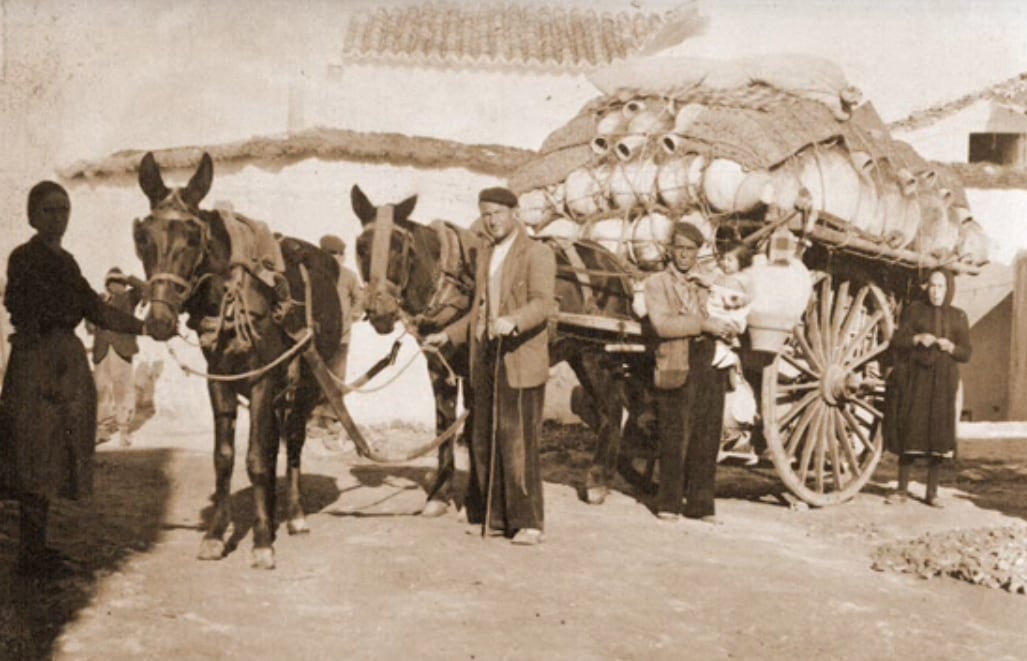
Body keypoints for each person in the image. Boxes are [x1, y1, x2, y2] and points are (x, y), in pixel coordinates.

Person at [0, 181, 149, 576]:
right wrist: (70, 309)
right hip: (36, 361)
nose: (58, 217)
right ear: (32, 216)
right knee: (33, 454)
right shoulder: (23, 258)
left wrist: (147, 328)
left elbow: (97, 310)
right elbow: (30, 304)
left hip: (65, 360)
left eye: (63, 210)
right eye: (49, 210)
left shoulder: (67, 262)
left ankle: (37, 549)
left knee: (52, 456)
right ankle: (30, 554)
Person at [425, 187, 555, 546]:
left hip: (519, 359)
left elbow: (544, 304)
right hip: (483, 358)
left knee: (518, 441)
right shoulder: (485, 255)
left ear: (515, 213)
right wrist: (448, 337)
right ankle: (495, 517)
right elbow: (476, 312)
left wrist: (514, 320)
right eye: (485, 213)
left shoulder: (537, 253)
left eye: (497, 212)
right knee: (483, 437)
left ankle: (528, 521)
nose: (491, 220)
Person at [644, 221, 736, 523]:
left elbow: (725, 307)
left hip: (708, 362)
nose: (684, 256)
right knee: (674, 433)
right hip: (676, 360)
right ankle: (668, 503)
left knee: (707, 434)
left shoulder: (703, 282)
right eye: (679, 249)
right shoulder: (657, 283)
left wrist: (727, 326)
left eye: (690, 250)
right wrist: (703, 325)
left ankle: (701, 504)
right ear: (670, 250)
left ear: (698, 252)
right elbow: (662, 324)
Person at [884, 268, 971, 508]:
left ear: (949, 289)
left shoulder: (958, 316)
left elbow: (966, 353)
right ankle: (901, 489)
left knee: (938, 434)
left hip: (944, 381)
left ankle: (931, 493)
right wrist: (917, 338)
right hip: (917, 378)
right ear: (927, 288)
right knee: (912, 427)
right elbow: (898, 341)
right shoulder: (914, 311)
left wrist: (951, 346)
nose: (936, 291)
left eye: (941, 286)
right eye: (932, 285)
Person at [88, 266, 146, 447]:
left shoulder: (129, 298)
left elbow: (146, 289)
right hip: (101, 350)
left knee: (123, 389)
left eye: (119, 282)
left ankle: (124, 430)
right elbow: (89, 325)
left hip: (122, 349)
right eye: (112, 282)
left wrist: (128, 277)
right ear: (107, 285)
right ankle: (102, 429)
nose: (116, 286)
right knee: (100, 389)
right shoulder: (100, 300)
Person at [315, 235, 364, 438]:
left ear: (343, 256)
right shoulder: (315, 275)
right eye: (329, 254)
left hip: (341, 337)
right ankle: (313, 417)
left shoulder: (349, 277)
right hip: (317, 337)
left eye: (338, 254)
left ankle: (330, 418)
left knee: (336, 377)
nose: (335, 258)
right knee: (315, 376)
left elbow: (360, 298)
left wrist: (353, 315)